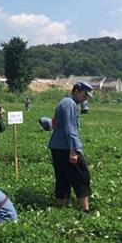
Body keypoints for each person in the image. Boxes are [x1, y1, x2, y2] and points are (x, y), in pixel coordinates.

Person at [47, 82, 93, 212]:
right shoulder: (69, 104)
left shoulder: (65, 102)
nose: (86, 98)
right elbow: (70, 128)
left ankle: (61, 208)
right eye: (85, 94)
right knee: (81, 176)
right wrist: (73, 150)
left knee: (63, 177)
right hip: (67, 147)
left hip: (58, 146)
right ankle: (85, 210)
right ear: (77, 91)